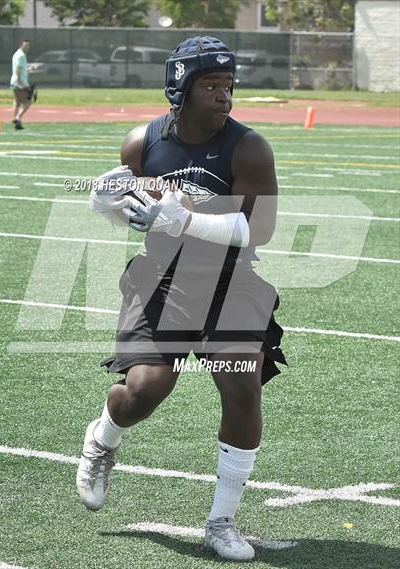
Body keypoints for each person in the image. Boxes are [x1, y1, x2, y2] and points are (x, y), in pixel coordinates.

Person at [77, 36, 286, 562]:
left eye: (228, 85)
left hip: (231, 282)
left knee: (240, 386)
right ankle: (103, 437)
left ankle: (221, 521)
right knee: (144, 390)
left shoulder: (249, 147)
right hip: (162, 280)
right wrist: (111, 207)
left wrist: (186, 219)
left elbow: (260, 229)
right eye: (211, 85)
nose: (224, 96)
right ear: (180, 89)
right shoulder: (141, 143)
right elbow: (132, 212)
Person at [10, 39, 31, 130]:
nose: (27, 47)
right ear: (21, 45)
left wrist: (28, 69)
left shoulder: (16, 54)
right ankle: (17, 118)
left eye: (28, 46)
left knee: (17, 101)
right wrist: (20, 83)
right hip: (20, 82)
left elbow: (21, 68)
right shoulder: (21, 55)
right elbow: (17, 69)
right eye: (25, 46)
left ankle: (16, 121)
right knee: (28, 101)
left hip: (15, 81)